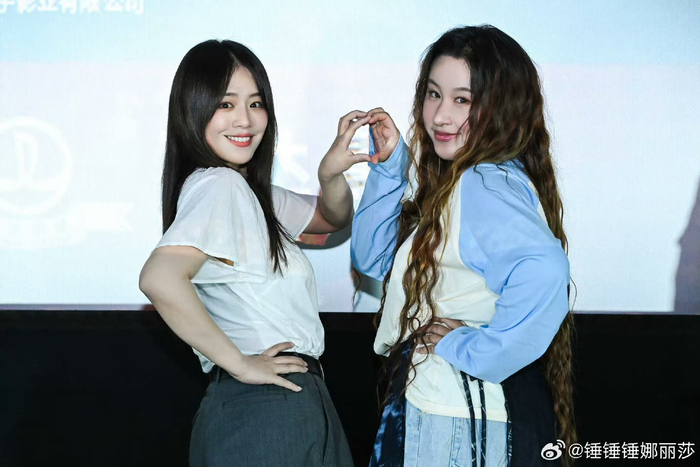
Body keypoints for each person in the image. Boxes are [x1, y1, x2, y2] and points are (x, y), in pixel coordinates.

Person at [351, 25, 575, 467]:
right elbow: (374, 260)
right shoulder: (468, 181)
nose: (439, 116)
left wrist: (472, 349)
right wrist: (391, 169)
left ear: (502, 107)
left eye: (462, 100)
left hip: (454, 412)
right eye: (434, 94)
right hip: (450, 406)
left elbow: (546, 269)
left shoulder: (483, 182)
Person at [139, 40, 367, 467]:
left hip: (288, 402)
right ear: (192, 110)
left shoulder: (249, 193)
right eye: (225, 104)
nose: (244, 119)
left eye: (256, 103)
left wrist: (329, 174)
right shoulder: (220, 185)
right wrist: (241, 365)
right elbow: (159, 277)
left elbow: (331, 217)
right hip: (265, 409)